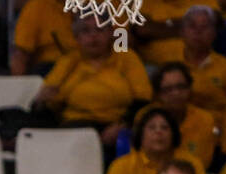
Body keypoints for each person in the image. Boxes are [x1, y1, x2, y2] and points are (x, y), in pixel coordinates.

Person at [33, 16, 153, 148]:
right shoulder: (68, 60)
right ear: (77, 38)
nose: (93, 36)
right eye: (86, 31)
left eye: (100, 30)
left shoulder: (126, 57)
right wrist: (43, 101)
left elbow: (143, 99)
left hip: (119, 124)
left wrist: (123, 125)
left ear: (110, 34)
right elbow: (48, 99)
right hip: (76, 125)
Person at [102, 105, 212, 174]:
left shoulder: (192, 163)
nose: (158, 132)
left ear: (174, 134)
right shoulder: (121, 166)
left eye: (164, 128)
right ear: (141, 134)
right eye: (152, 127)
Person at [179, 6, 226, 127]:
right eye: (192, 26)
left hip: (218, 129)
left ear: (214, 33)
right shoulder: (173, 64)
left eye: (204, 27)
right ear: (182, 32)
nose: (198, 31)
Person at [152, 62, 218, 168]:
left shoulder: (205, 119)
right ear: (158, 94)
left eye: (181, 87)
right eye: (168, 89)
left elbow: (202, 163)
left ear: (189, 88)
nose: (176, 93)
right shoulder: (146, 118)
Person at [10, 0, 75, 75]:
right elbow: (20, 57)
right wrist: (19, 85)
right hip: (50, 69)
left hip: (85, 67)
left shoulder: (88, 5)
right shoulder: (37, 7)